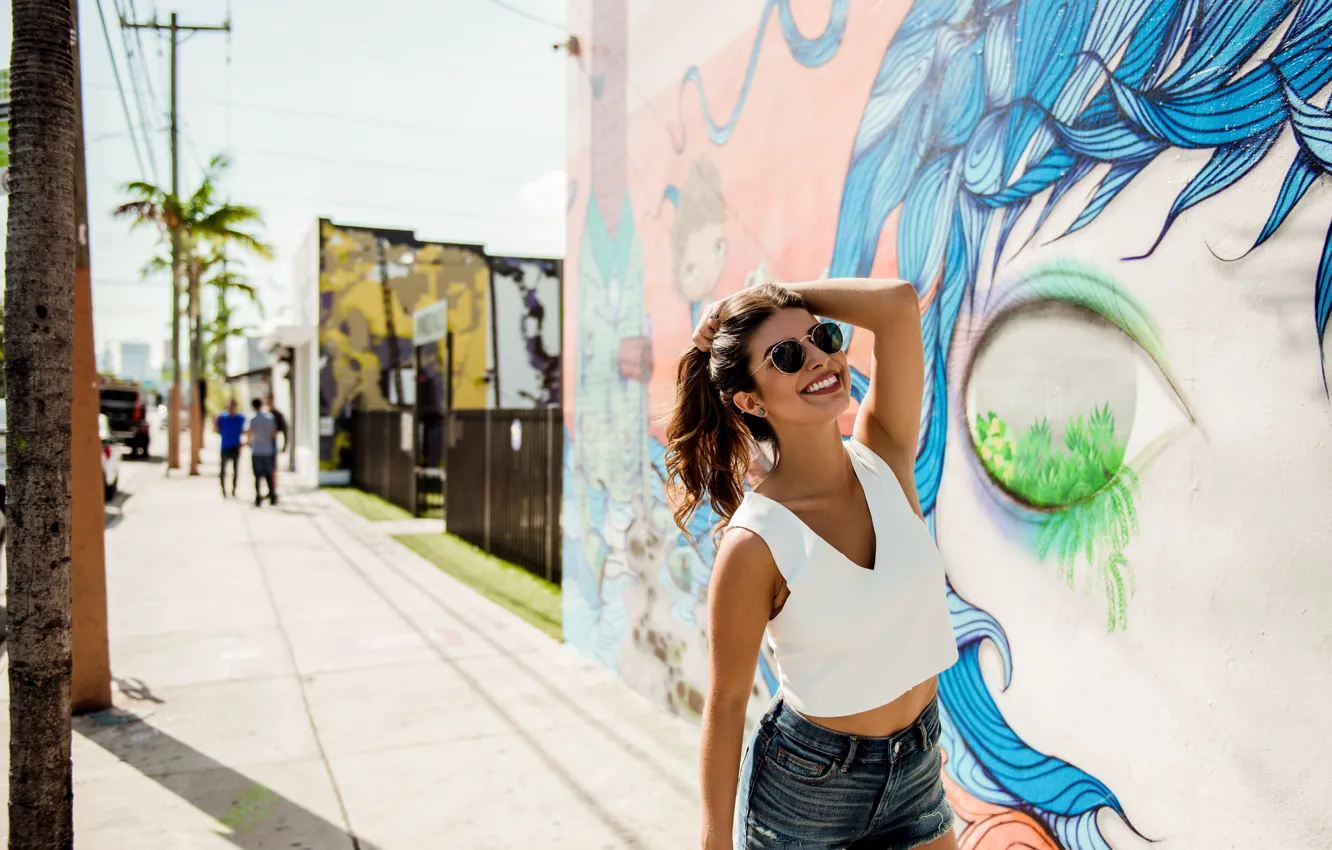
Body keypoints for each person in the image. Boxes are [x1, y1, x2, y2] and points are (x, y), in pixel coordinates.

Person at [666, 281, 958, 850]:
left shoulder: (885, 458)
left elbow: (897, 305)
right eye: (787, 356)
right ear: (750, 401)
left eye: (822, 337)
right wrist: (712, 841)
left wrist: (769, 295)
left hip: (918, 764)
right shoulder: (755, 543)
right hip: (809, 790)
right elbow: (725, 705)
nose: (820, 358)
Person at [245, 398, 279, 507]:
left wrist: (251, 443)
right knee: (269, 474)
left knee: (257, 475)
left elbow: (249, 434)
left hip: (257, 450)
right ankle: (272, 496)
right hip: (268, 450)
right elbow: (273, 433)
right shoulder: (269, 418)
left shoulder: (252, 419)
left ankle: (258, 497)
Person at [215, 398, 246, 498]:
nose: (230, 408)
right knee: (223, 470)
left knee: (235, 471)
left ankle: (233, 490)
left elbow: (245, 430)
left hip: (235, 446)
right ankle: (223, 491)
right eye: (228, 406)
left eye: (232, 406)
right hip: (225, 446)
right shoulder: (222, 417)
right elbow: (216, 429)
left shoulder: (240, 418)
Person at [265, 393, 288, 478]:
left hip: (272, 443)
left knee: (273, 467)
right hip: (263, 444)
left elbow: (285, 430)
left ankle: (273, 487)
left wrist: (285, 445)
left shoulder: (278, 414)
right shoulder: (264, 414)